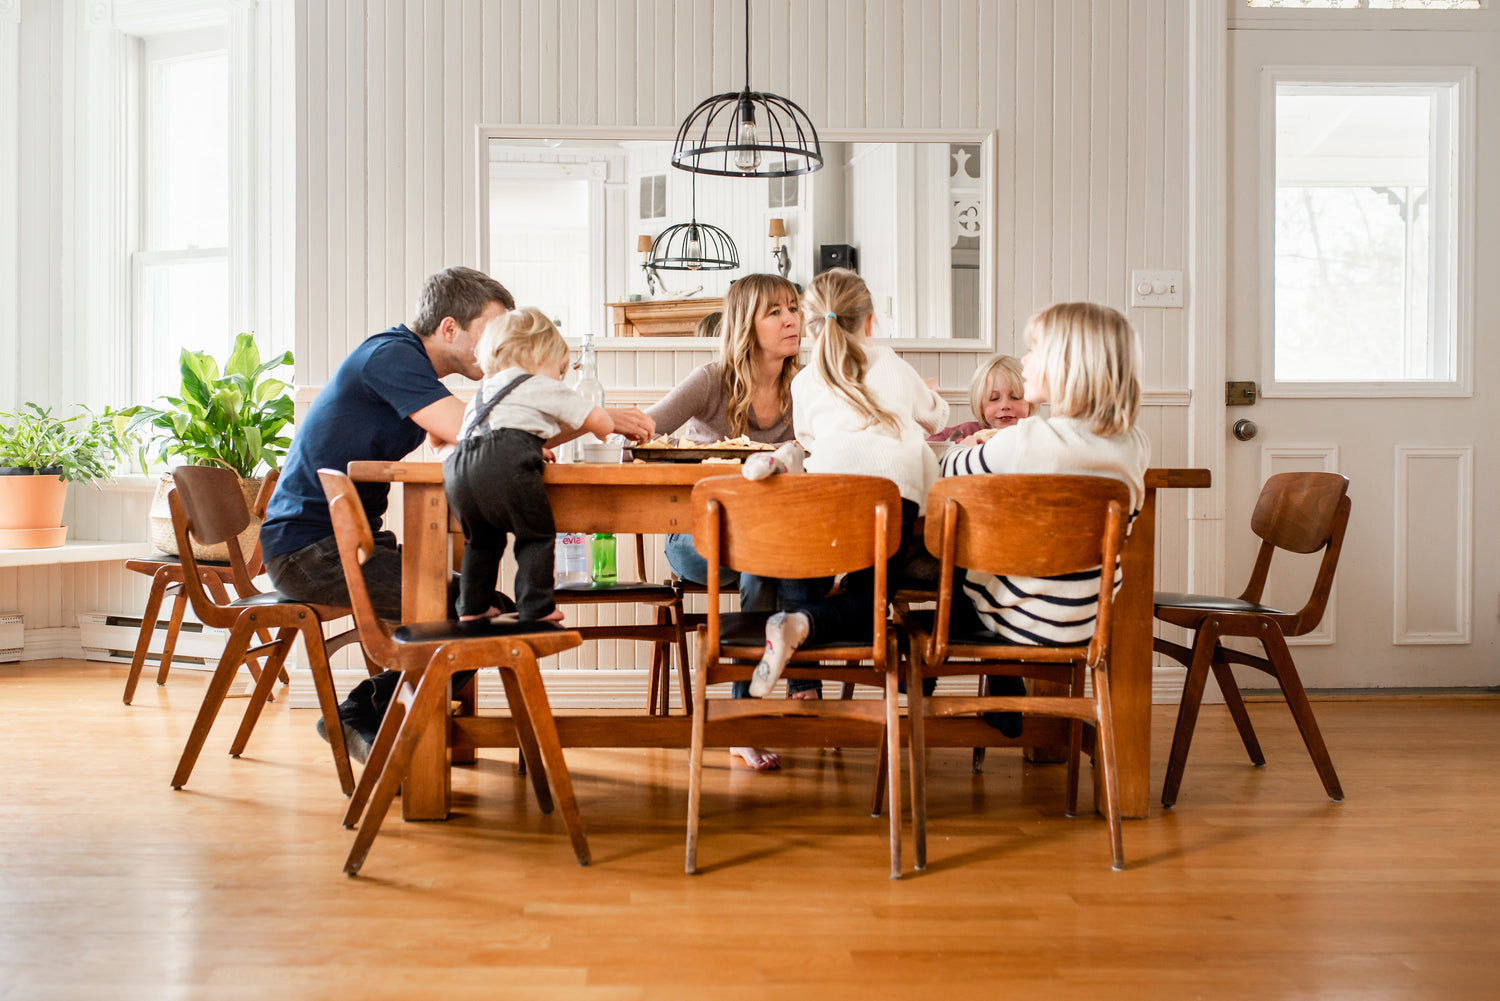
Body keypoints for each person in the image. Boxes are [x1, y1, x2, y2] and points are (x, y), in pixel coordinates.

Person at [261, 266, 654, 761]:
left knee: (481, 602)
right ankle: (372, 717)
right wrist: (594, 422)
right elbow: (477, 437)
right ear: (449, 329)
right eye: (492, 331)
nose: (500, 346)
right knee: (475, 609)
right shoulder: (391, 357)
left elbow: (464, 437)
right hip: (310, 554)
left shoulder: (405, 365)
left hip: (343, 545)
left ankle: (373, 712)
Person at [938, 301, 1150, 735]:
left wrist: (974, 444)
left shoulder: (1027, 439)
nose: (1027, 360)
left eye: (1035, 350)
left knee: (957, 547)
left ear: (1069, 367)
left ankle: (930, 665)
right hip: (1090, 618)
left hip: (1025, 615)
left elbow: (947, 471)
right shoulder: (1135, 443)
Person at [745, 267, 950, 701]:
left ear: (810, 324)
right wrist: (927, 391)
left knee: (800, 573)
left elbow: (812, 439)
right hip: (891, 495)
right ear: (870, 322)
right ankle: (800, 626)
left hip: (829, 493)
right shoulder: (892, 362)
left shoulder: (803, 382)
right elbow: (937, 418)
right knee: (869, 606)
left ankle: (803, 676)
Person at [644, 273, 807, 770]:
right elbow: (646, 433)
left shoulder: (807, 387)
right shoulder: (711, 380)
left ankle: (741, 719)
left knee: (767, 562)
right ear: (745, 324)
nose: (791, 320)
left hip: (767, 542)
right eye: (775, 312)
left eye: (794, 308)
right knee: (767, 561)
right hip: (694, 539)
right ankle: (795, 689)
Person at [445, 307, 613, 624]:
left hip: (460, 469)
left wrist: (533, 450)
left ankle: (472, 605)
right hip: (504, 461)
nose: (559, 379)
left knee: (481, 540)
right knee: (535, 535)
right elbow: (596, 416)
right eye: (559, 371)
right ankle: (537, 607)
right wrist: (605, 427)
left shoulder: (483, 394)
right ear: (538, 356)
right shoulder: (535, 382)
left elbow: (495, 433)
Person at [928, 353, 1031, 442]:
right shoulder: (966, 432)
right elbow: (930, 447)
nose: (1005, 405)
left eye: (1015, 397)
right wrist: (961, 446)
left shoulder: (1036, 435)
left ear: (1030, 402)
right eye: (994, 398)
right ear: (981, 406)